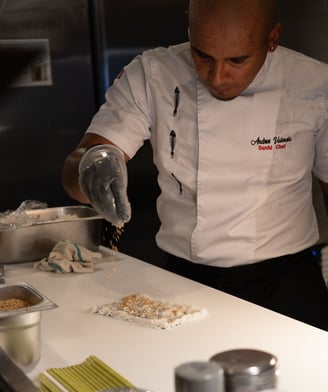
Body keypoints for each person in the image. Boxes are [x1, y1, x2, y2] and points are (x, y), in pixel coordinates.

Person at [62, 0, 328, 330]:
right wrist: (93, 165)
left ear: (272, 38)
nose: (217, 77)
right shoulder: (152, 74)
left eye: (237, 60)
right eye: (202, 55)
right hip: (184, 283)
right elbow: (78, 163)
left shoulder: (315, 86)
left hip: (286, 286)